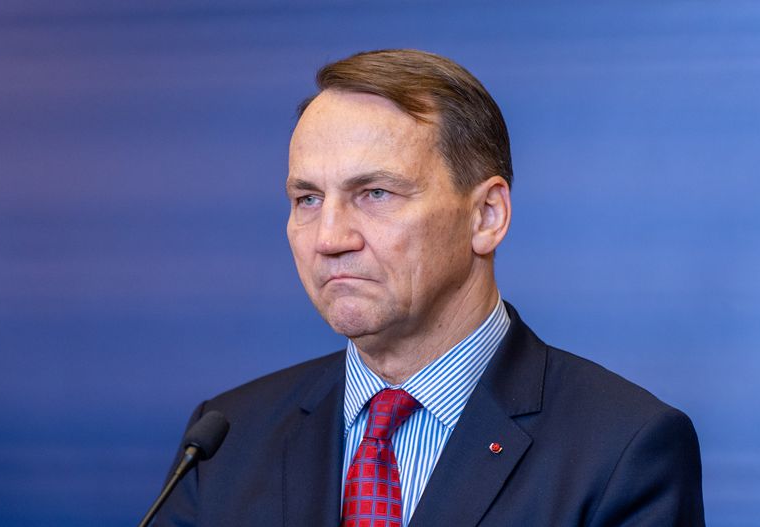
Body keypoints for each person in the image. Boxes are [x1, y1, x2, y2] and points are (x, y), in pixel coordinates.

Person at [154, 49, 705, 526]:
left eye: (374, 193)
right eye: (308, 200)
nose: (329, 238)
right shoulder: (227, 438)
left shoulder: (623, 449)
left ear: (487, 216)